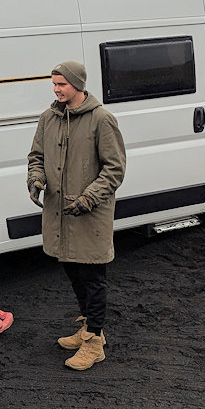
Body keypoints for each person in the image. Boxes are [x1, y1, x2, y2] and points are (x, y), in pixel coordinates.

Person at [27, 60, 126, 370]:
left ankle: (95, 342)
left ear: (78, 86)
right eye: (54, 85)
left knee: (93, 277)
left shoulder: (101, 120)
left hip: (90, 215)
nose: (57, 90)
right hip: (60, 214)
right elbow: (36, 157)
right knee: (72, 271)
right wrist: (36, 179)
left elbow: (115, 169)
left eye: (62, 85)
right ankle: (87, 328)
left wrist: (88, 198)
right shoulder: (48, 118)